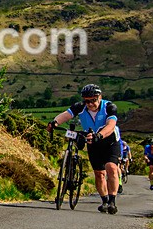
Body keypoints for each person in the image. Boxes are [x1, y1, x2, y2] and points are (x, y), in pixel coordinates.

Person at [47, 84, 122, 214]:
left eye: (93, 100)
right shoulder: (81, 107)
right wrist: (54, 123)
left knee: (111, 168)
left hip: (110, 141)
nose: (90, 103)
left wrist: (100, 135)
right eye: (87, 101)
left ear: (100, 97)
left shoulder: (109, 107)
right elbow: (66, 114)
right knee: (99, 174)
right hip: (92, 141)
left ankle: (112, 201)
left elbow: (111, 125)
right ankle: (104, 201)